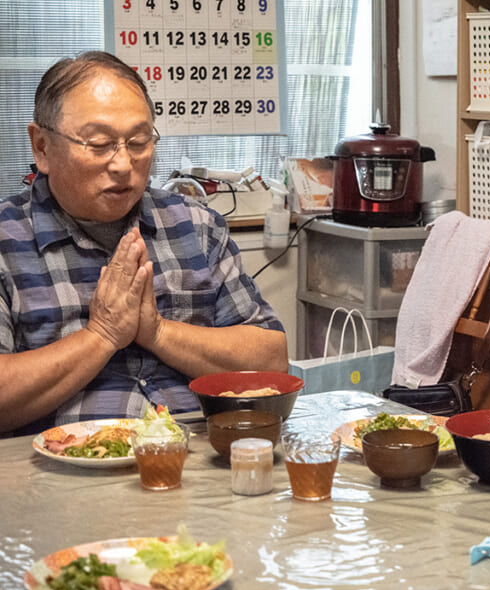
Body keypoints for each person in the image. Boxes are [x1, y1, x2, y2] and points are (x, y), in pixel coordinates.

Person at [0, 51, 288, 436]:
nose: (122, 164)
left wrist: (157, 332)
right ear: (42, 147)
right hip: (60, 476)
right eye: (99, 143)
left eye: (138, 142)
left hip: (200, 461)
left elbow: (271, 361)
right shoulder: (7, 240)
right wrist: (101, 336)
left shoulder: (197, 225)